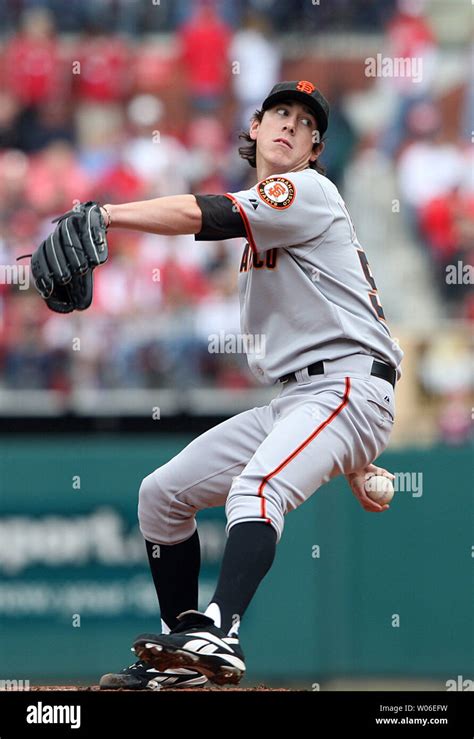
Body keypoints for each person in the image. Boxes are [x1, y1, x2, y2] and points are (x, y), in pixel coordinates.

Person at [98, 80, 403, 690]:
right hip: (309, 397)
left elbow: (208, 214)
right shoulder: (275, 221)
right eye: (279, 113)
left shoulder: (308, 190)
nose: (291, 124)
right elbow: (335, 321)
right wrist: (352, 459)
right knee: (162, 494)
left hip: (346, 389)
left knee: (255, 490)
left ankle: (222, 631)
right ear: (256, 128)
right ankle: (186, 654)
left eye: (306, 123)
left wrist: (108, 215)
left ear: (316, 149)